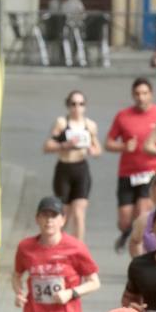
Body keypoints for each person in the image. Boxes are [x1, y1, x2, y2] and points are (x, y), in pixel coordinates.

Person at [105, 78, 156, 253]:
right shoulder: (123, 116)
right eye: (138, 94)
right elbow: (108, 143)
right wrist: (123, 146)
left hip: (151, 171)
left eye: (145, 93)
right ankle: (128, 235)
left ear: (151, 95)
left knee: (142, 213)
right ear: (133, 95)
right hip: (127, 172)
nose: (141, 97)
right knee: (124, 220)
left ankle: (144, 251)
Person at [43, 90, 101, 242]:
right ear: (68, 106)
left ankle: (78, 250)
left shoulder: (90, 125)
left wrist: (92, 151)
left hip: (81, 169)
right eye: (73, 104)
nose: (77, 108)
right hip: (64, 169)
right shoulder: (62, 123)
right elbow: (47, 146)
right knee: (64, 214)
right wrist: (64, 145)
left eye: (81, 104)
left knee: (79, 213)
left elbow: (98, 149)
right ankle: (58, 245)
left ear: (85, 107)